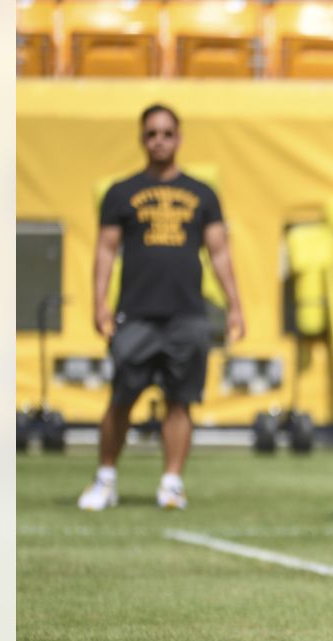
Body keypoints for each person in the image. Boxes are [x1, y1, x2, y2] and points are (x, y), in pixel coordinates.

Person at [78, 103, 245, 512]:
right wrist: (99, 305)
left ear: (179, 138)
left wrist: (235, 306)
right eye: (152, 133)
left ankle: (171, 483)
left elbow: (220, 253)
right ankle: (106, 480)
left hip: (187, 315)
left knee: (180, 401)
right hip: (135, 314)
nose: (159, 141)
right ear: (142, 139)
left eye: (167, 133)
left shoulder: (202, 194)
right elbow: (105, 251)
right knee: (121, 399)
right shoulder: (121, 192)